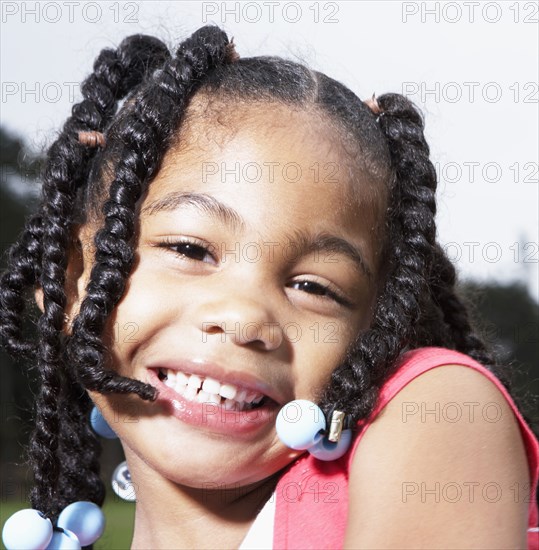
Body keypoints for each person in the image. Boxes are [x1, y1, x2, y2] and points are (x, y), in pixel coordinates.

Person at [0, 24, 537, 549]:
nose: (244, 317)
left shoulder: (438, 407)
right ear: (71, 282)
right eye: (190, 249)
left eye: (314, 286)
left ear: (375, 334)